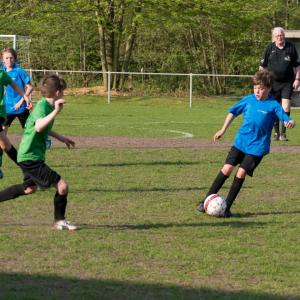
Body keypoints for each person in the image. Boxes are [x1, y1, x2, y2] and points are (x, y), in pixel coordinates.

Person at [197, 69, 295, 217]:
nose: (257, 91)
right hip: (240, 142)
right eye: (255, 88)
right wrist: (223, 130)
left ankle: (226, 207)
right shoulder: (248, 100)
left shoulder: (273, 105)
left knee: (241, 172)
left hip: (257, 147)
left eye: (261, 89)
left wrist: (290, 122)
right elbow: (233, 112)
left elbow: (286, 118)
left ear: (268, 88)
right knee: (226, 169)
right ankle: (206, 200)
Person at [0, 74, 77, 231]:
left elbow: (44, 127)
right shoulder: (44, 107)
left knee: (29, 188)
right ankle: (60, 221)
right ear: (57, 92)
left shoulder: (45, 106)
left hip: (28, 156)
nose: (63, 93)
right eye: (62, 91)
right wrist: (56, 111)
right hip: (31, 158)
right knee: (62, 187)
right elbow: (39, 127)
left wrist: (62, 138)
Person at [260, 27, 300, 141]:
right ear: (274, 37)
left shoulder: (291, 48)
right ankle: (276, 133)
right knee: (275, 106)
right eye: (277, 36)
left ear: (284, 36)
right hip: (272, 83)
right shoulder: (269, 48)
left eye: (281, 35)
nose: (279, 37)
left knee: (286, 105)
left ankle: (283, 133)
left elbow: (297, 66)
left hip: (287, 82)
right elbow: (262, 66)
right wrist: (262, 80)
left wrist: (297, 79)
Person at [0, 47, 33, 178]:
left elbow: (23, 87)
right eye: (6, 58)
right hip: (8, 109)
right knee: (4, 142)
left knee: (29, 131)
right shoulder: (3, 71)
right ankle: (27, 169)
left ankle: (30, 163)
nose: (8, 60)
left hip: (17, 109)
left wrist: (24, 99)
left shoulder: (13, 72)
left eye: (11, 57)